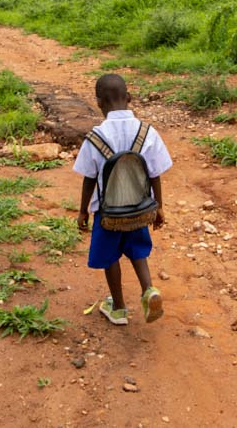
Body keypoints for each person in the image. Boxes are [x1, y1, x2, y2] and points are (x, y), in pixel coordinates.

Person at [74, 74, 172, 325]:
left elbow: (88, 178)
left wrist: (83, 211)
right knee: (138, 251)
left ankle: (118, 308)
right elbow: (155, 174)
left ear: (98, 103)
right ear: (129, 98)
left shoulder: (96, 137)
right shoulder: (146, 132)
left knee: (109, 257)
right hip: (139, 209)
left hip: (108, 215)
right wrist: (158, 207)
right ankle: (149, 290)